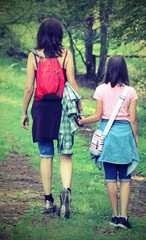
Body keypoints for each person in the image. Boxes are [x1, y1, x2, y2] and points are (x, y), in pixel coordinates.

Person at [21, 18, 83, 219]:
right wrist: (79, 107)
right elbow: (72, 82)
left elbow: (29, 87)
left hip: (41, 108)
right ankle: (66, 191)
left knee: (46, 154)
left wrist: (24, 112)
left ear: (41, 33)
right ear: (59, 35)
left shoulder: (33, 56)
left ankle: (48, 200)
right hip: (62, 108)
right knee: (65, 153)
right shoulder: (65, 54)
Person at [78, 55, 139, 229]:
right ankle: (124, 217)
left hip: (108, 136)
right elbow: (133, 120)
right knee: (126, 178)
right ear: (124, 69)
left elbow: (98, 116)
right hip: (125, 135)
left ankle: (114, 216)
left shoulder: (101, 89)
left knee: (110, 177)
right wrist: (135, 139)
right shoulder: (131, 91)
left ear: (108, 69)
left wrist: (82, 121)